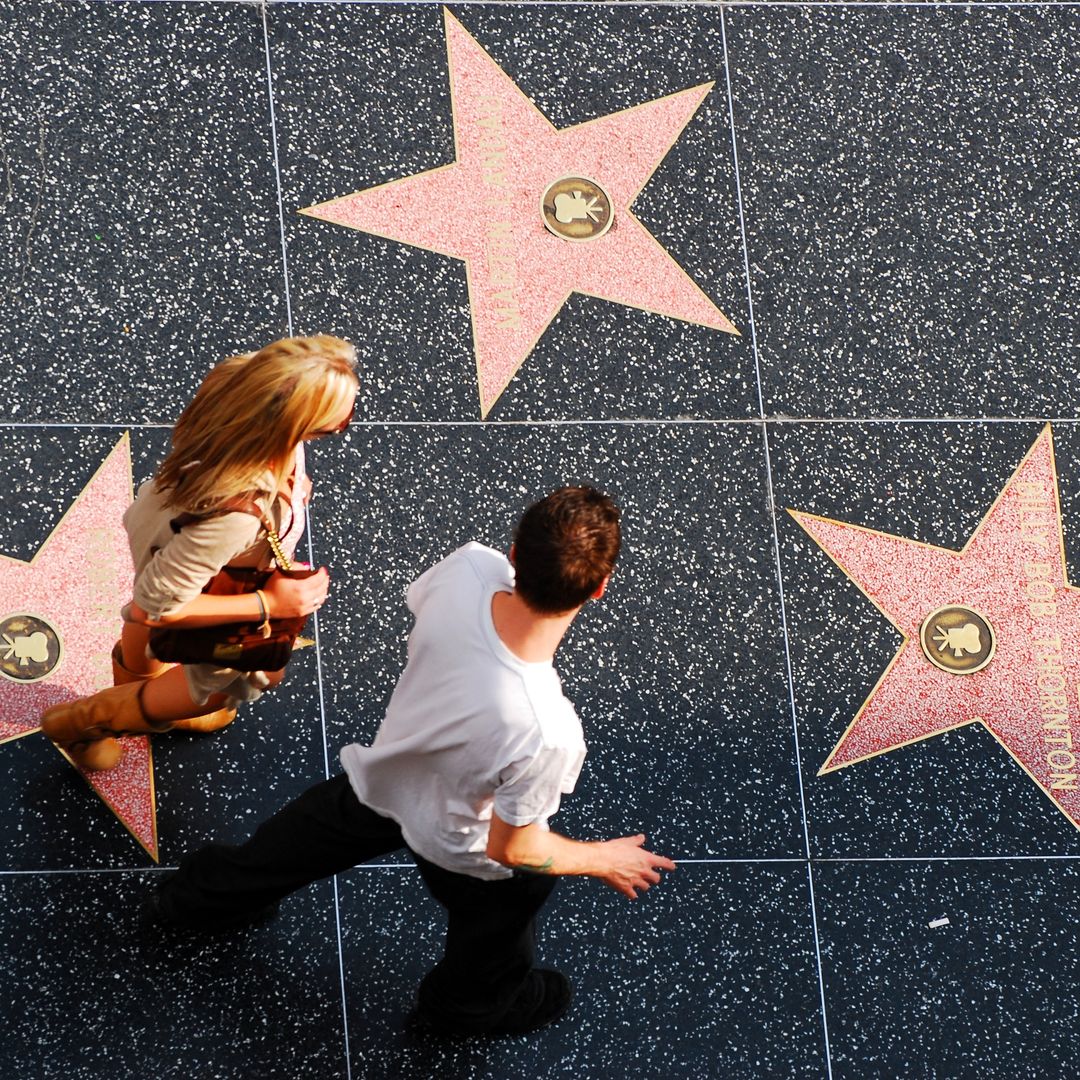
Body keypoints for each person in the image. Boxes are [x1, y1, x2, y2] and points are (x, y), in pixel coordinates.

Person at [145, 486, 676, 1037]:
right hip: (463, 851)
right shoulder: (547, 730)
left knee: (290, 844)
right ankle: (463, 1010)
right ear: (598, 589)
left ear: (515, 552)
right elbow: (512, 847)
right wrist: (601, 859)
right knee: (499, 927)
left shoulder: (469, 569)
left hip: (387, 778)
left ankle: (194, 904)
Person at [41, 336, 359, 772]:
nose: (342, 425)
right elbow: (161, 607)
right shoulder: (238, 515)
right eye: (332, 424)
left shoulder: (235, 388)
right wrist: (273, 603)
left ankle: (133, 679)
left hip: (163, 521)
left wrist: (289, 487)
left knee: (145, 603)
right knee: (218, 688)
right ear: (291, 422)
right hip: (215, 564)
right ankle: (87, 723)